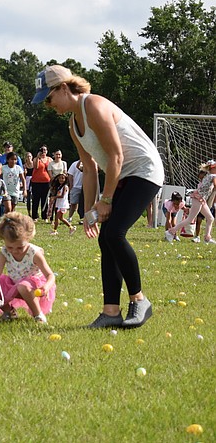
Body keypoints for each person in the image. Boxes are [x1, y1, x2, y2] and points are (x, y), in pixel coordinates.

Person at [36, 64, 164, 328]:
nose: (49, 105)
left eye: (49, 98)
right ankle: (111, 312)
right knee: (105, 239)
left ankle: (139, 300)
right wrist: (89, 211)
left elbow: (116, 156)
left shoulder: (93, 105)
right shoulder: (73, 124)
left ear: (63, 88)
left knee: (114, 233)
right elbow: (91, 168)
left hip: (144, 170)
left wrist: (105, 201)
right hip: (122, 175)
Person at [0, 212, 56, 323]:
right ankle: (9, 311)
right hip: (14, 283)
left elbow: (50, 275)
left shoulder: (34, 253)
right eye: (10, 247)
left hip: (33, 287)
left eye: (20, 247)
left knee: (23, 286)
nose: (15, 251)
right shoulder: (5, 252)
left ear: (28, 238)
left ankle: (38, 315)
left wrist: (46, 287)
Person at [166, 159, 216, 244]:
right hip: (198, 199)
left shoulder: (207, 175)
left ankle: (207, 238)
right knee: (190, 219)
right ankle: (171, 232)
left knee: (210, 218)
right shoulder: (213, 176)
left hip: (201, 199)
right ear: (212, 168)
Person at [31, 146, 52, 221]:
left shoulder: (49, 159)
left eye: (45, 150)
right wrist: (38, 157)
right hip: (36, 182)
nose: (44, 152)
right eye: (42, 150)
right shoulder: (36, 159)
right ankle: (34, 216)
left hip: (46, 182)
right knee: (36, 199)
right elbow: (36, 167)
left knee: (45, 200)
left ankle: (45, 216)